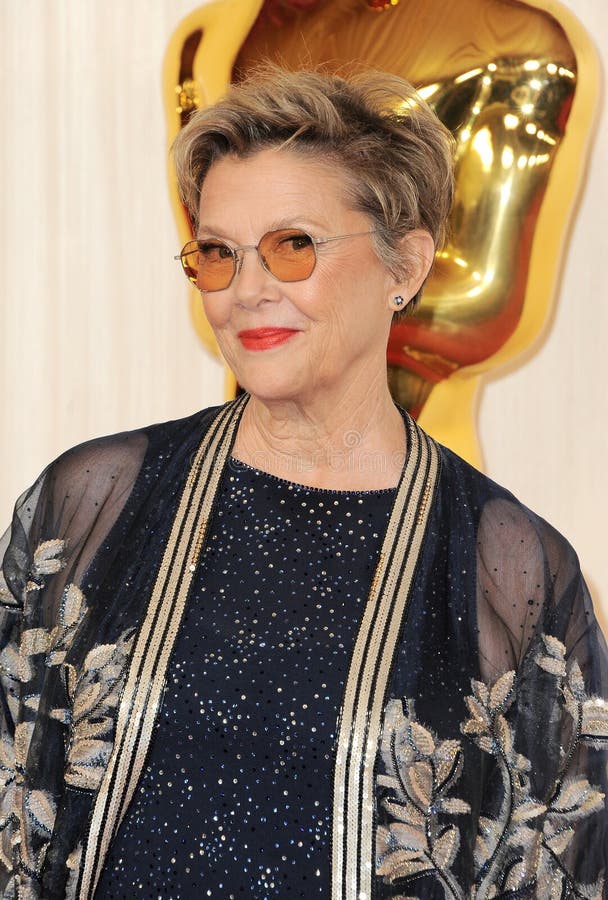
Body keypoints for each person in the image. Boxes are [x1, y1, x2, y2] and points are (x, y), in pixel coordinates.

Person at [0, 66, 606, 900]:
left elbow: (558, 867)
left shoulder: (511, 567)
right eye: (218, 254)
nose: (247, 291)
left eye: (294, 245)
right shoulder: (94, 501)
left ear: (408, 263)